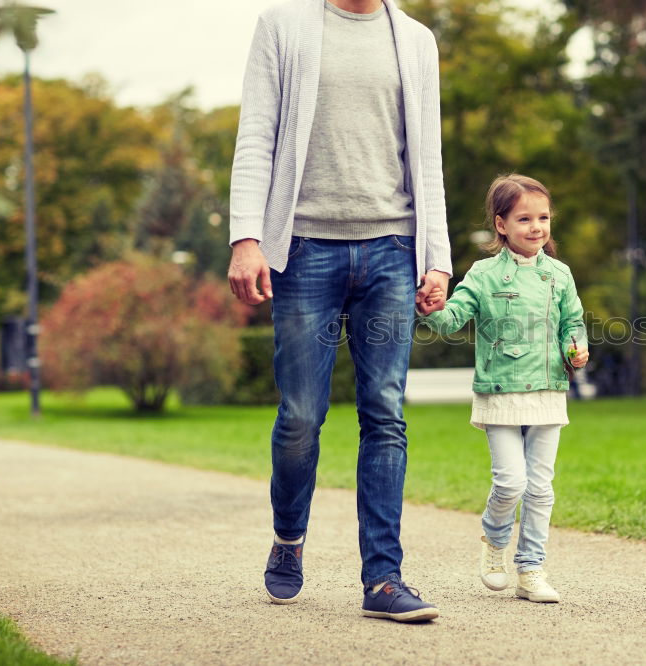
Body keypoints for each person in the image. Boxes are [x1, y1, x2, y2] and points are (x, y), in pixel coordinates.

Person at [226, 0, 451, 623]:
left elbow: (426, 155)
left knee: (386, 412)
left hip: (392, 250)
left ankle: (383, 579)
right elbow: (256, 135)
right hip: (303, 250)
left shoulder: (415, 39)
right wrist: (247, 236)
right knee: (301, 414)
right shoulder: (284, 26)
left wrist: (437, 257)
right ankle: (289, 535)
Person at [420, 174, 588, 603]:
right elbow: (453, 317)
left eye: (543, 217)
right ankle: (494, 541)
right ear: (501, 225)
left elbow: (573, 324)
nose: (537, 227)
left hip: (548, 390)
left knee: (540, 488)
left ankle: (531, 569)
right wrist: (432, 309)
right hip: (500, 393)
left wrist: (576, 349)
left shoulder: (559, 275)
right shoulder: (484, 274)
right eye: (524, 218)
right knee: (511, 482)